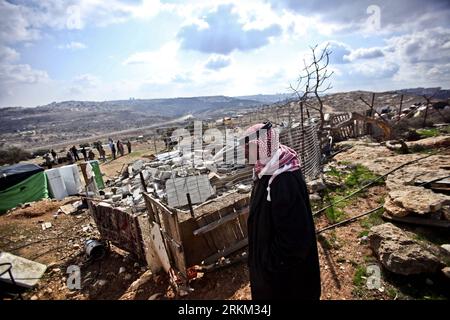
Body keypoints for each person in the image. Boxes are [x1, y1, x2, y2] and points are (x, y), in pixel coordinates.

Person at [243, 122, 321, 300]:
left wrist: (267, 264)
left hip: (284, 279)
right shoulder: (266, 170)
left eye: (249, 148)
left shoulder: (283, 179)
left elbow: (293, 241)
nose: (245, 154)